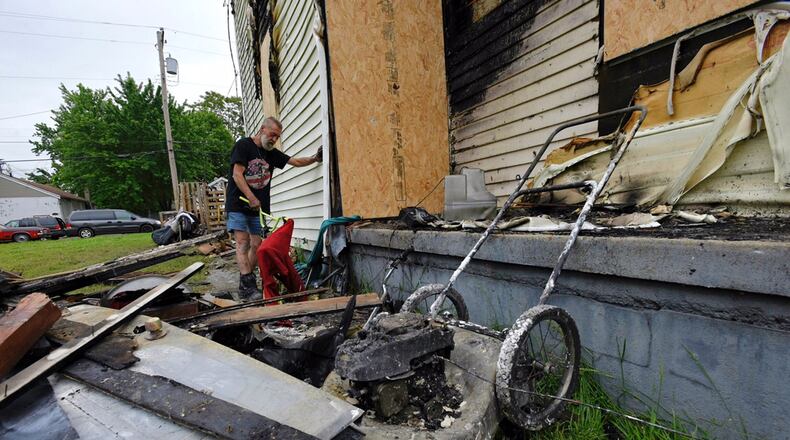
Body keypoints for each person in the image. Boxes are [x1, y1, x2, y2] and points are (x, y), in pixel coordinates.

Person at [225, 116, 321, 301]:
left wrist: (315, 158)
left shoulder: (271, 153)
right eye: (272, 135)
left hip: (257, 207)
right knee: (243, 242)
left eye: (277, 137)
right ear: (262, 129)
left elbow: (295, 161)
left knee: (257, 244)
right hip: (238, 203)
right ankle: (249, 284)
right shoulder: (243, 146)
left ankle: (246, 282)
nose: (274, 139)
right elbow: (237, 175)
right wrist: (251, 197)